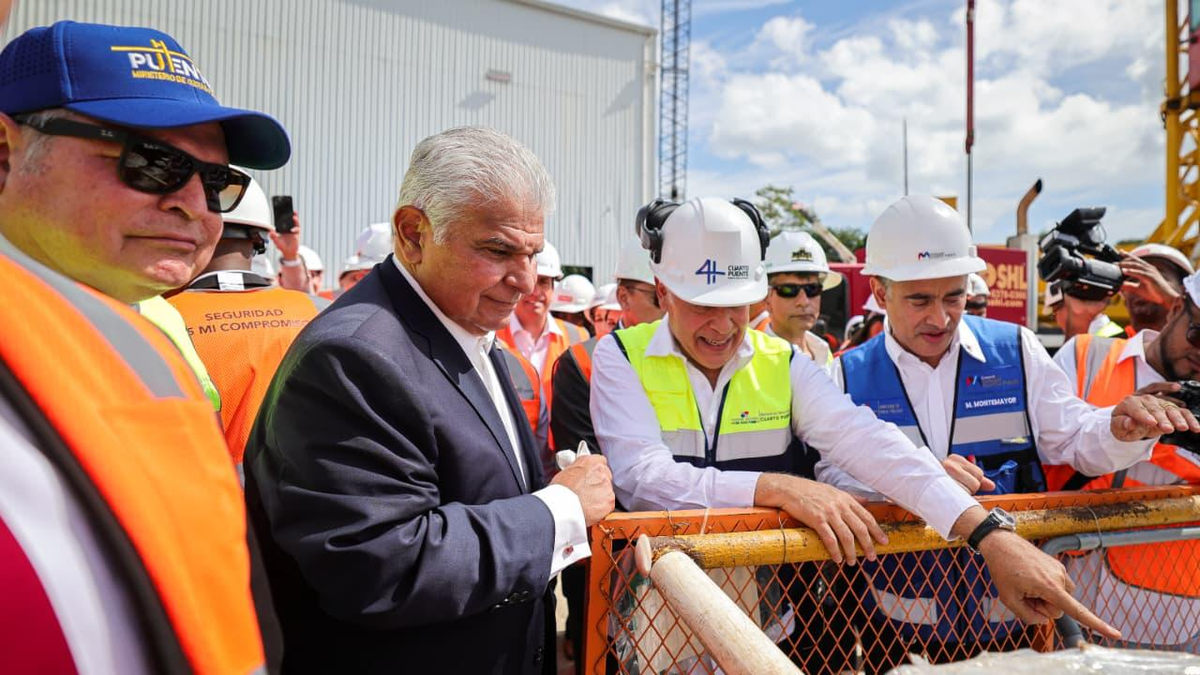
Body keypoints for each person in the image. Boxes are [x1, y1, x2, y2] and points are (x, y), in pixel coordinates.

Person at [592, 195, 1188, 670]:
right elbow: (645, 481)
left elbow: (870, 444)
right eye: (702, 305)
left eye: (740, 304)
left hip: (764, 617)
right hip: (656, 618)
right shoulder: (619, 356)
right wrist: (779, 488)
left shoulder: (784, 362)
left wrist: (989, 535)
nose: (724, 326)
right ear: (662, 291)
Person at [244, 126, 615, 675]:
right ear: (414, 233)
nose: (525, 280)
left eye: (533, 254)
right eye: (498, 250)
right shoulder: (354, 357)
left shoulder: (467, 324)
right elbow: (381, 566)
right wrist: (558, 510)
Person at [0, 19, 292, 673]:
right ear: (5, 151)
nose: (194, 205)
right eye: (150, 163)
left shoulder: (153, 338)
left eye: (218, 181)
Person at [819, 195, 1196, 671]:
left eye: (953, 296)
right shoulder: (846, 375)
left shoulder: (1014, 350)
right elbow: (831, 475)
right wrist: (917, 475)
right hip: (893, 628)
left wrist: (1119, 429)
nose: (940, 318)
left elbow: (1074, 437)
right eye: (920, 300)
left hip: (1015, 623)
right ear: (879, 290)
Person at [1045, 271, 1200, 649]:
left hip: (1172, 616)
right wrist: (1121, 429)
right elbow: (1048, 444)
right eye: (1199, 336)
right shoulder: (1087, 355)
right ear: (1177, 308)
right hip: (1065, 604)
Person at [548, 233, 665, 670]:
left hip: (680, 550)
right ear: (623, 296)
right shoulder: (582, 363)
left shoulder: (686, 362)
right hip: (606, 557)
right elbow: (592, 473)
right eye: (659, 296)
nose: (673, 310)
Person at [166, 173, 321, 468]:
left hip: (208, 497)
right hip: (309, 500)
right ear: (260, 240)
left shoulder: (157, 319)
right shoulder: (318, 311)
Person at [497, 241, 588, 409]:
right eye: (530, 280)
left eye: (544, 282)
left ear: (554, 288)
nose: (535, 291)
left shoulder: (578, 337)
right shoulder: (492, 337)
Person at [762, 229, 842, 367]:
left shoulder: (824, 354)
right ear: (766, 298)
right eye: (789, 290)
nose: (804, 302)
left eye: (812, 289)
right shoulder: (751, 361)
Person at [1119, 243, 1194, 334]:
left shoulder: (1195, 344)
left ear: (1184, 290)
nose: (1145, 284)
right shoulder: (1105, 345)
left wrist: (1175, 302)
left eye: (1157, 277)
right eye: (1133, 279)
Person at [1046, 280, 1123, 339]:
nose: (1057, 321)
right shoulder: (1117, 335)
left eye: (1054, 314)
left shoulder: (1095, 342)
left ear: (1069, 304)